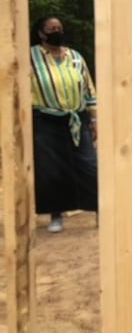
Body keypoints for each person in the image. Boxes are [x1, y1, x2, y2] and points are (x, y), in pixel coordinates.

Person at [30, 16, 98, 233]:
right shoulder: (31, 57)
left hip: (76, 118)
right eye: (52, 29)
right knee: (52, 170)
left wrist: (94, 119)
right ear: (41, 33)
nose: (57, 31)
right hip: (47, 120)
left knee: (89, 164)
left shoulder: (75, 57)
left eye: (59, 28)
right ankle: (56, 215)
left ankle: (100, 211)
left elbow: (89, 90)